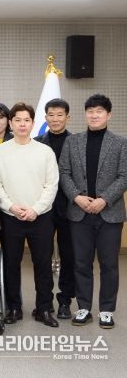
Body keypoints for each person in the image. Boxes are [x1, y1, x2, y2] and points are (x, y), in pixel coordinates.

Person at [59, 94, 127, 329]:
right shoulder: (72, 142)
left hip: (110, 214)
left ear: (109, 115)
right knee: (81, 262)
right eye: (90, 111)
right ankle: (84, 307)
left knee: (109, 265)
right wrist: (76, 197)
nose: (94, 115)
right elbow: (64, 173)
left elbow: (124, 176)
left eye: (99, 111)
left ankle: (106, 310)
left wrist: (104, 199)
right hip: (79, 213)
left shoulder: (121, 143)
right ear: (85, 114)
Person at [0, 102, 59, 327]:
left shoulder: (45, 151)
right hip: (10, 217)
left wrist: (35, 209)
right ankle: (14, 308)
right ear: (10, 123)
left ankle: (44, 308)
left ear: (33, 123)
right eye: (17, 120)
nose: (22, 124)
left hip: (41, 217)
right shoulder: (0, 152)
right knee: (11, 264)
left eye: (26, 120)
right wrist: (11, 207)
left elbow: (52, 185)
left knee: (43, 264)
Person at [35, 98, 74, 319]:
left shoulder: (76, 142)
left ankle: (65, 301)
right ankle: (45, 301)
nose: (55, 119)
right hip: (43, 208)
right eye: (51, 115)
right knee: (42, 257)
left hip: (70, 208)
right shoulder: (36, 143)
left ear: (68, 117)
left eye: (60, 115)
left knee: (69, 256)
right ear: (45, 117)